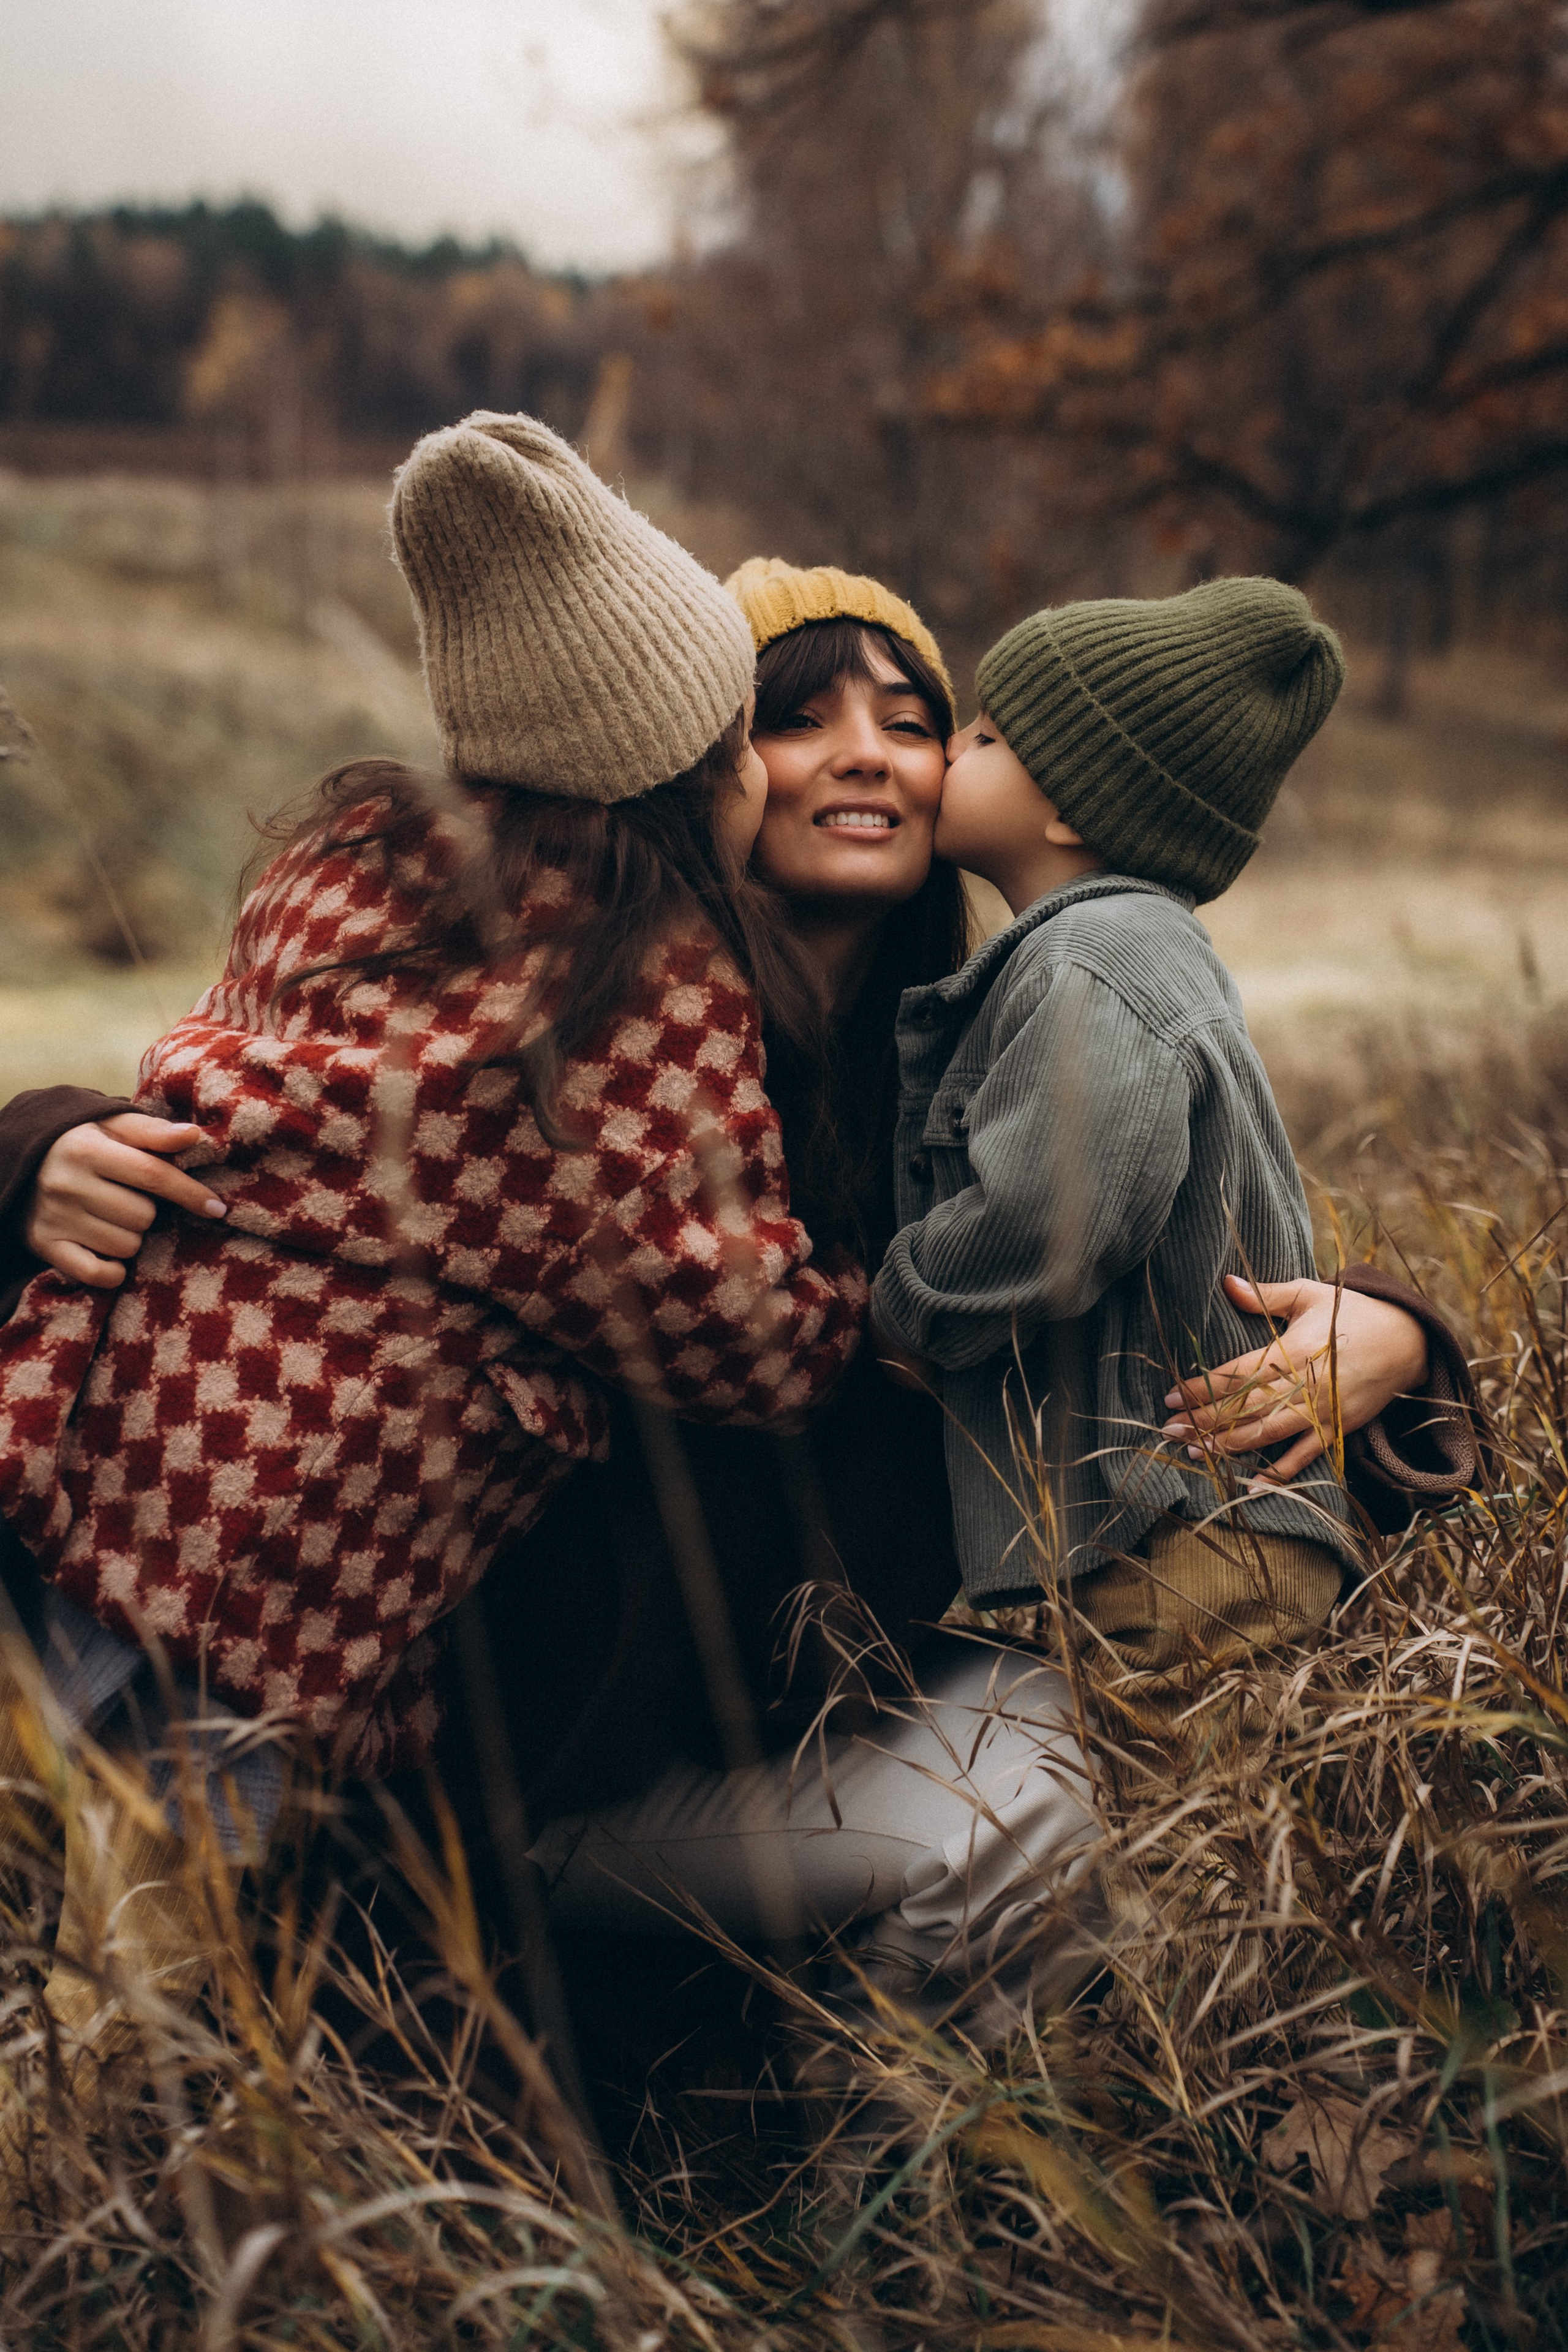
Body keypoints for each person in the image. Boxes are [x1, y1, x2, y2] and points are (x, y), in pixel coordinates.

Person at [0, 560, 1483, 2049]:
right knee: (1004, 1810)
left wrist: (1397, 1338)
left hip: (803, 1734)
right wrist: (40, 1152)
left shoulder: (990, 1062)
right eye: (794, 717)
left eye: (916, 721)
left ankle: (896, 2187)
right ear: (694, 773)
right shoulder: (577, 1021)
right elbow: (287, 1131)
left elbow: (1173, 1236)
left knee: (1059, 1777)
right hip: (535, 1767)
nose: (865, 751)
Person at [0, 414, 869, 2064]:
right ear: (689, 761)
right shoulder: (646, 980)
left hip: (91, 1428)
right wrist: (854, 1314)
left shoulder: (344, 868)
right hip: (278, 1559)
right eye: (751, 730)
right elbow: (717, 1317)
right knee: (137, 1975)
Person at [869, 578, 1385, 1752]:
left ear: (1070, 809)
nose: (951, 750)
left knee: (1154, 1855)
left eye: (986, 736)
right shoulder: (1123, 949)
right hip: (1198, 1540)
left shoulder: (1094, 961)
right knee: (1173, 1830)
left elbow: (1055, 1218)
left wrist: (900, 1305)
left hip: (1188, 1547)